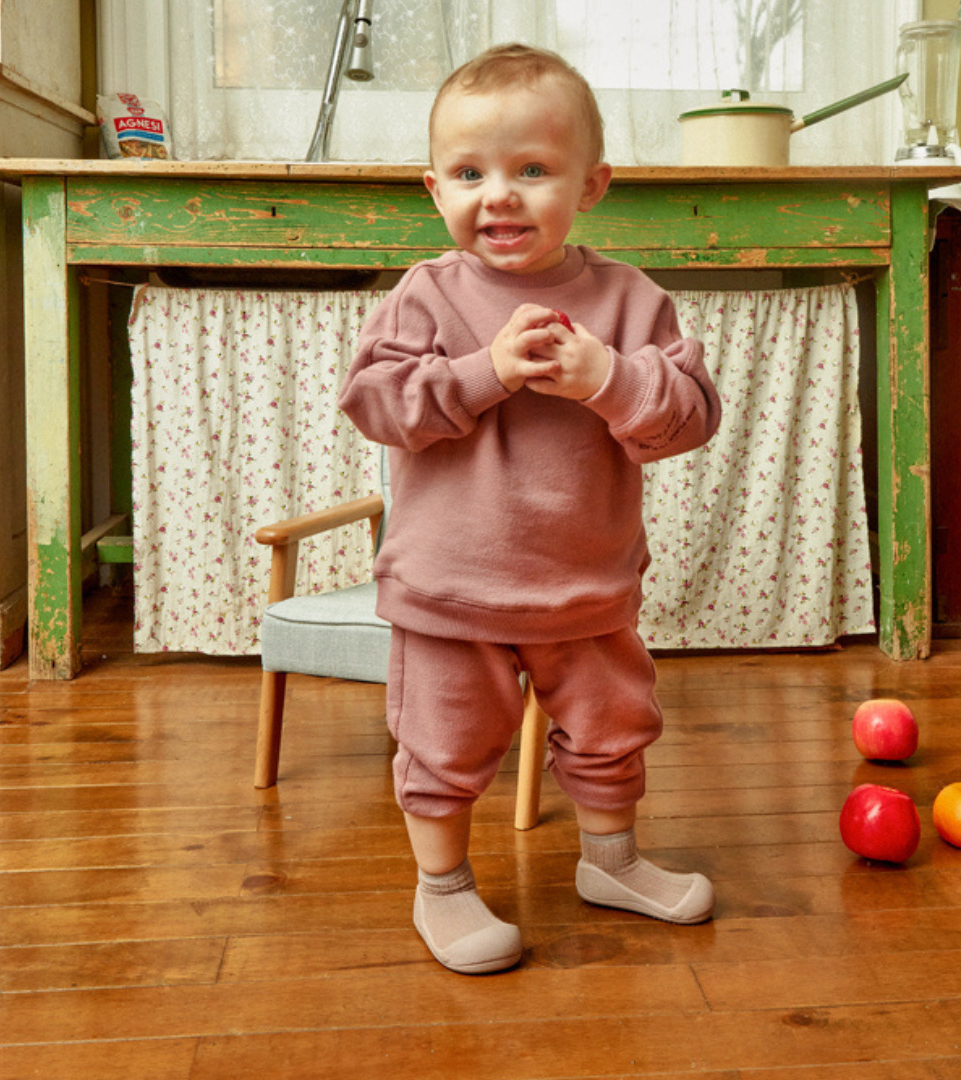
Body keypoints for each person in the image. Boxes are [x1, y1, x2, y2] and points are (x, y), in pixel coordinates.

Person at [338, 43, 722, 974]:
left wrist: (609, 379)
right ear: (435, 189)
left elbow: (690, 420)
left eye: (532, 169)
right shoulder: (428, 294)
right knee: (443, 746)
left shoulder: (631, 301)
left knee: (611, 730)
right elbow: (375, 404)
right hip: (449, 591)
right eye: (470, 174)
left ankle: (612, 864)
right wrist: (485, 372)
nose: (499, 195)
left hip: (586, 587)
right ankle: (442, 890)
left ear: (592, 185)